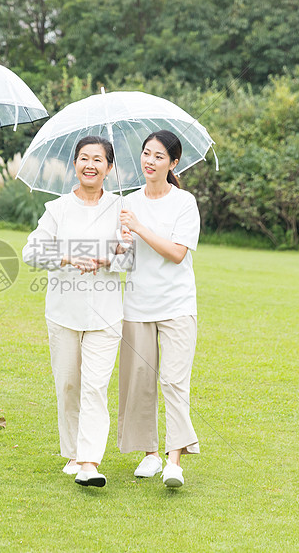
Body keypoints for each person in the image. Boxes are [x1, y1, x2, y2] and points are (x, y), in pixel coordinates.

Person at [22, 136, 131, 487]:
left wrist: (106, 258)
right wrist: (67, 257)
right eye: (84, 158)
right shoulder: (57, 209)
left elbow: (131, 258)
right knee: (69, 384)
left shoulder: (121, 209)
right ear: (74, 164)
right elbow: (30, 253)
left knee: (95, 387)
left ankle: (89, 462)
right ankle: (72, 452)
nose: (90, 165)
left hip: (106, 315)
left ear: (109, 168)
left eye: (98, 160)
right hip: (63, 313)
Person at [116, 129, 201, 488]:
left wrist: (139, 228)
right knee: (139, 384)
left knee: (174, 381)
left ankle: (174, 461)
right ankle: (149, 453)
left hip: (177, 305)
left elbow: (177, 252)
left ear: (173, 163)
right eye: (146, 154)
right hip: (137, 305)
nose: (150, 161)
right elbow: (125, 262)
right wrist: (122, 244)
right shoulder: (128, 203)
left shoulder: (184, 203)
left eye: (159, 156)